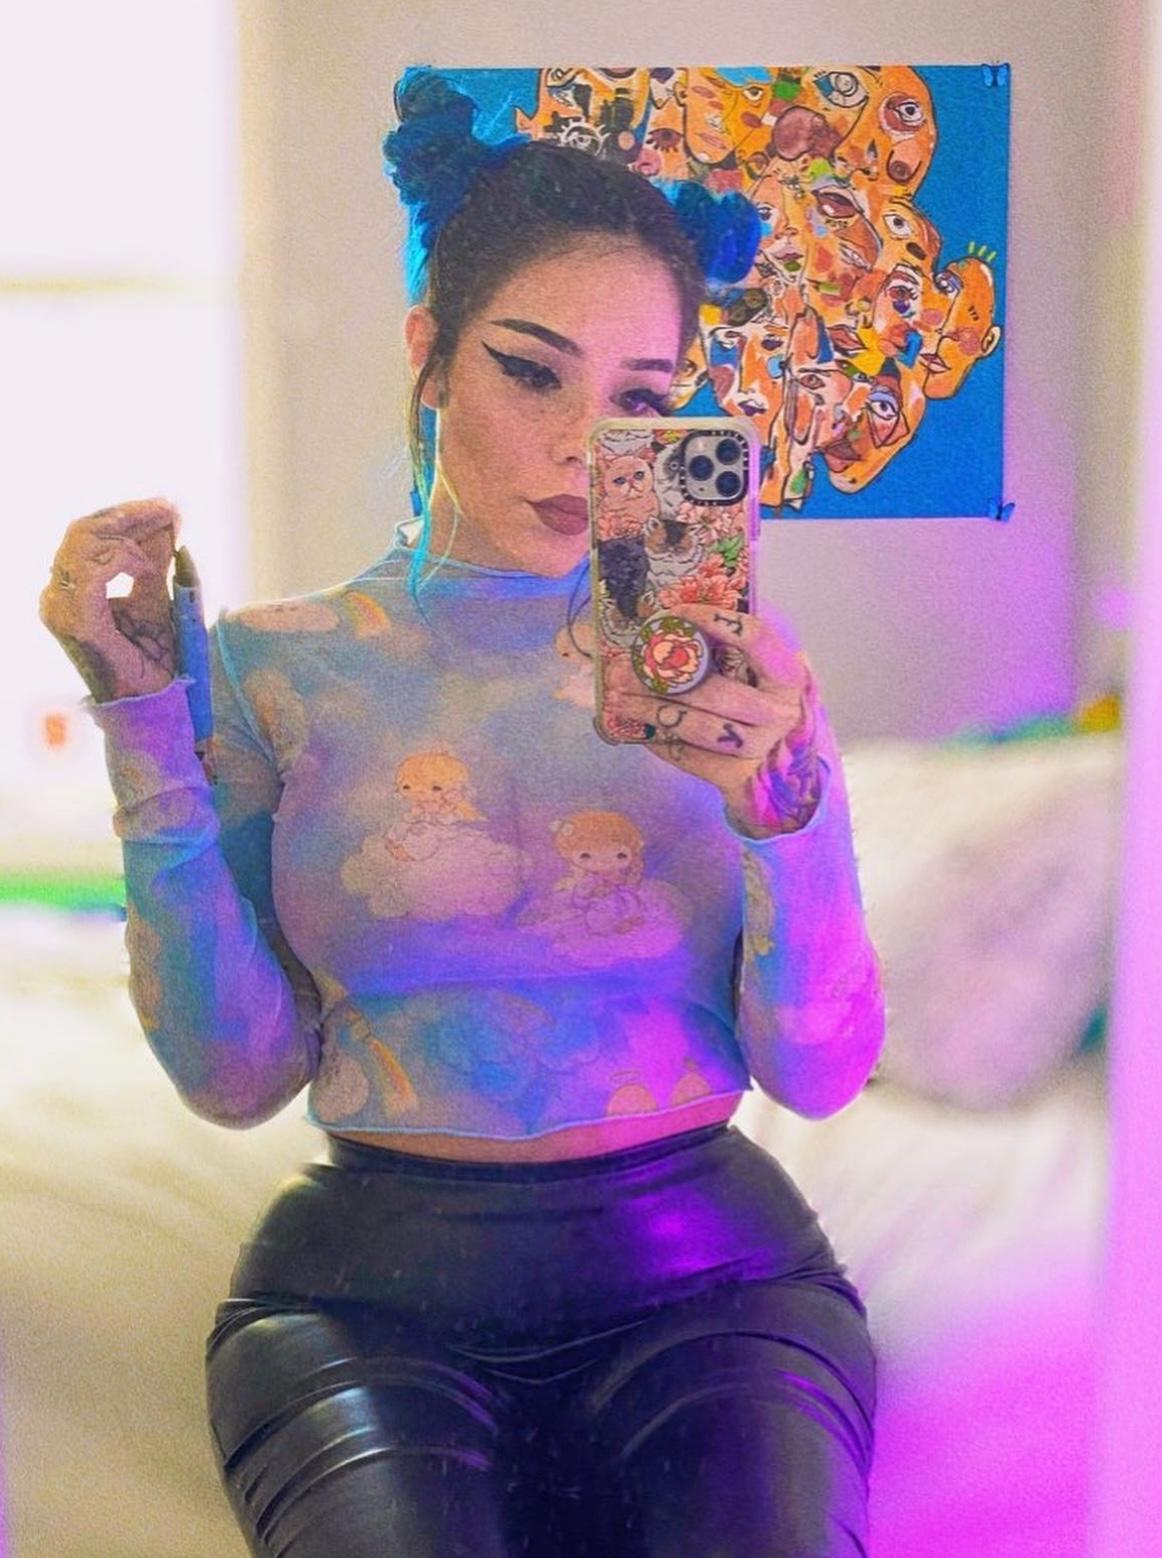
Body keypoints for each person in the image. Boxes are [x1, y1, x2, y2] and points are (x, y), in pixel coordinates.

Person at [38, 67, 885, 1558]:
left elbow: (818, 1075)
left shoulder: (732, 676)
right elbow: (235, 1076)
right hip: (369, 1299)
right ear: (428, 354)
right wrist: (145, 724)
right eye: (533, 373)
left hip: (715, 1281)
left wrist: (787, 809)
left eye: (640, 400)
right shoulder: (276, 668)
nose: (581, 445)